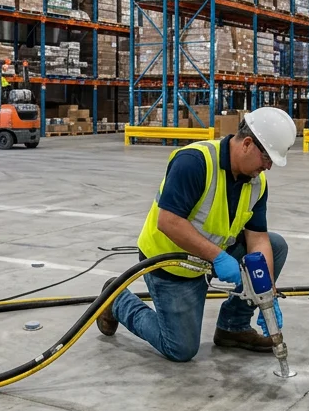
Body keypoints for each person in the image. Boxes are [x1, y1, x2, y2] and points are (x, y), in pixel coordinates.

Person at [97, 108, 298, 362]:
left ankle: (233, 327)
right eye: (267, 158)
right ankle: (116, 299)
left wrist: (266, 291)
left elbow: (257, 238)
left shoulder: (256, 182)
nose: (268, 167)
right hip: (170, 263)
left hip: (210, 256)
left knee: (275, 246)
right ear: (247, 144)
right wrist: (218, 257)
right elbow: (168, 221)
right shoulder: (195, 161)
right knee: (180, 348)